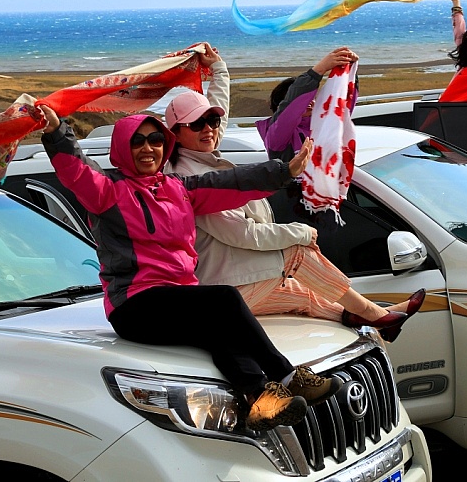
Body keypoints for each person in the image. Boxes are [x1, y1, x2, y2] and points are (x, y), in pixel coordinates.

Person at [38, 104, 340, 431]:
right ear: (122, 148)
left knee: (221, 332)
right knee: (225, 299)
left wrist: (283, 171)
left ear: (165, 145)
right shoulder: (107, 192)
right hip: (134, 305)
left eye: (155, 140)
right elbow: (75, 169)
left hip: (179, 298)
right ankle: (288, 375)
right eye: (137, 141)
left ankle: (260, 399)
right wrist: (56, 130)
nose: (147, 148)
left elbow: (231, 181)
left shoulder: (179, 188)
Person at [165, 54, 425, 342]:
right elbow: (241, 234)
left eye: (212, 121)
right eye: (197, 124)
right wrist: (301, 233)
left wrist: (218, 68)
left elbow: (218, 113)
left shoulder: (203, 154)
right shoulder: (187, 180)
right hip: (222, 286)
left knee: (303, 296)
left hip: (233, 279)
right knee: (297, 253)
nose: (209, 129)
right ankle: (374, 314)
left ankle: (374, 319)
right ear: (174, 134)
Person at [255, 46, 360, 232]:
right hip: (295, 218)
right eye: (305, 99)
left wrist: (348, 71)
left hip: (330, 214)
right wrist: (318, 71)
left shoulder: (325, 127)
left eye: (313, 97)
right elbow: (289, 108)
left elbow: (342, 104)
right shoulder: (278, 137)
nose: (311, 102)